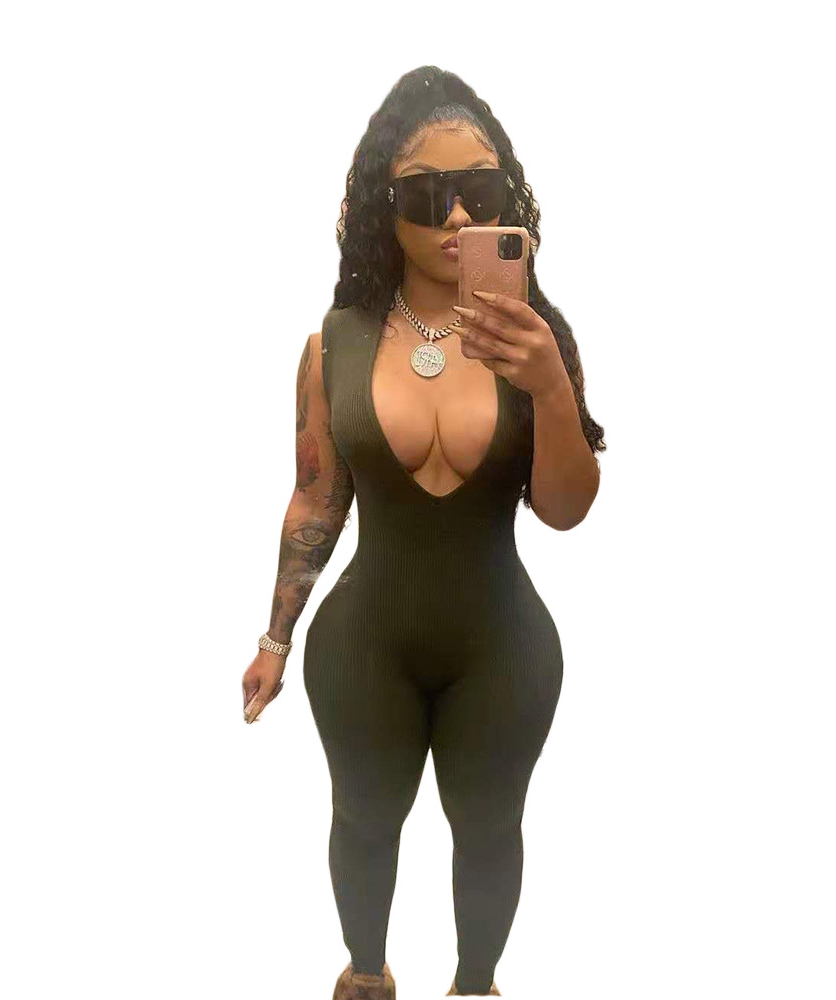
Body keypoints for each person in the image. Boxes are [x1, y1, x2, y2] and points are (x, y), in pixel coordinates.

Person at [241, 66, 605, 999]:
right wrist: (275, 639)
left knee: (490, 829)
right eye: (426, 194)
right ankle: (366, 975)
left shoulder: (537, 339)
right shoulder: (334, 343)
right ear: (381, 204)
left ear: (508, 199)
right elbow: (315, 499)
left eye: (478, 189)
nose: (457, 217)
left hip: (503, 646)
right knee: (362, 820)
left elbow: (566, 509)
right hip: (364, 644)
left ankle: (475, 986)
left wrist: (550, 386)